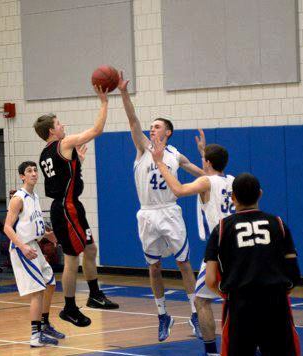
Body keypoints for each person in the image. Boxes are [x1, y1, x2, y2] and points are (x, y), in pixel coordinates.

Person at [118, 72, 203, 341]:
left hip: (170, 211)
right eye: (151, 126)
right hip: (147, 213)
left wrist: (211, 171)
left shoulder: (175, 154)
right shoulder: (143, 148)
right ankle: (163, 315)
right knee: (154, 267)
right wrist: (122, 93)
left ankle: (194, 314)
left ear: (168, 132)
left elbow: (200, 174)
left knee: (184, 263)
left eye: (157, 126)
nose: (152, 129)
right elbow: (133, 120)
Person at [34, 85, 118, 328]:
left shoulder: (45, 153)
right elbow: (97, 130)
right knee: (72, 258)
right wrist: (104, 102)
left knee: (90, 249)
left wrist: (76, 163)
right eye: (59, 124)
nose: (63, 126)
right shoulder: (64, 143)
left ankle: (95, 295)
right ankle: (69, 307)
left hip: (72, 206)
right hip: (65, 207)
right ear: (52, 130)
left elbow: (62, 175)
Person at [151, 134, 234, 355]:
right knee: (238, 300)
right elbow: (210, 174)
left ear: (207, 162)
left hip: (222, 249)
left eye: (205, 160)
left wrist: (160, 162)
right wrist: (204, 153)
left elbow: (178, 190)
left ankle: (212, 351)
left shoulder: (206, 182)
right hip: (240, 246)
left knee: (202, 301)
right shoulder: (233, 180)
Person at [205, 173, 301, 356]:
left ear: (232, 197)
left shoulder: (222, 229)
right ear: (260, 194)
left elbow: (210, 279)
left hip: (240, 304)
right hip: (276, 303)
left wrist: (229, 293)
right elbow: (294, 274)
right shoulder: (278, 224)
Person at [4, 161, 65, 347]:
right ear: (22, 176)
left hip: (34, 246)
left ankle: (44, 324)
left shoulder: (35, 196)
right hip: (22, 249)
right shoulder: (18, 198)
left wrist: (48, 235)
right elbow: (7, 227)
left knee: (50, 282)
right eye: (29, 171)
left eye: (35, 170)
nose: (34, 173)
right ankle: (35, 335)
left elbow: (31, 225)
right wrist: (22, 246)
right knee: (38, 290)